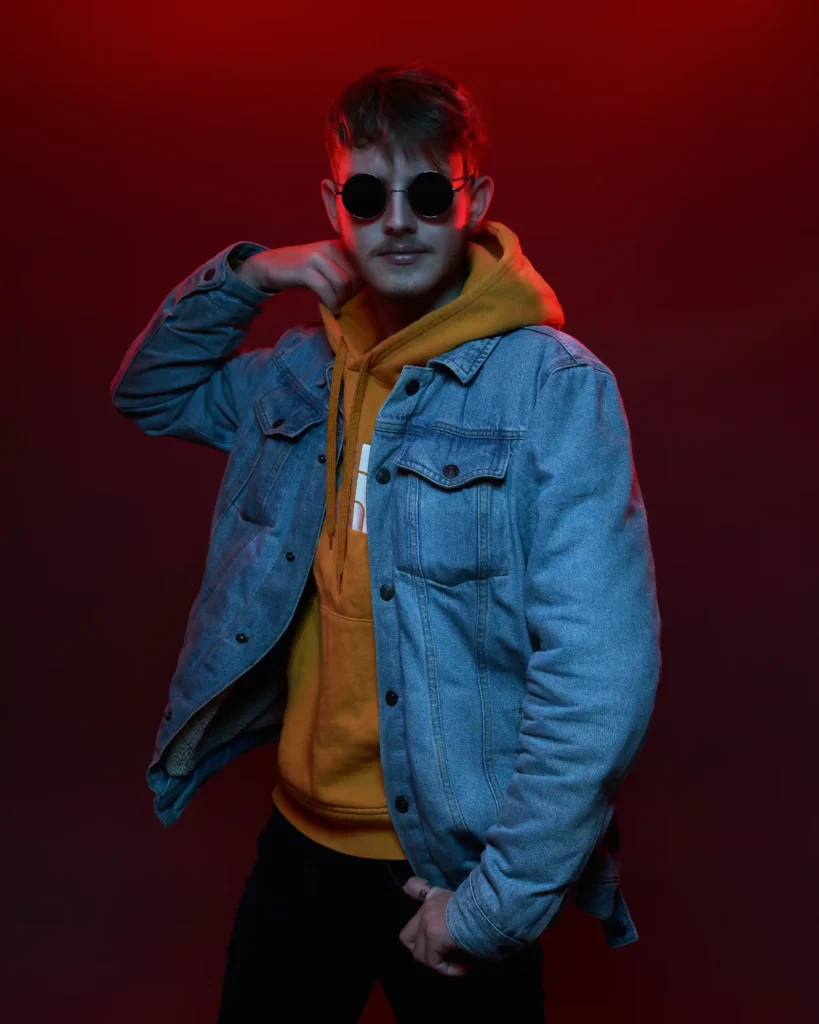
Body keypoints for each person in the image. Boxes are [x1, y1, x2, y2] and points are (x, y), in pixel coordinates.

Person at [110, 64, 661, 1023]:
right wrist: (252, 275)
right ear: (334, 204)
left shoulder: (551, 390)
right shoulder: (300, 370)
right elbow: (149, 392)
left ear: (473, 198)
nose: (395, 219)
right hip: (296, 850)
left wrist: (498, 906)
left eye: (427, 191)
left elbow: (600, 675)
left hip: (447, 872)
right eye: (367, 194)